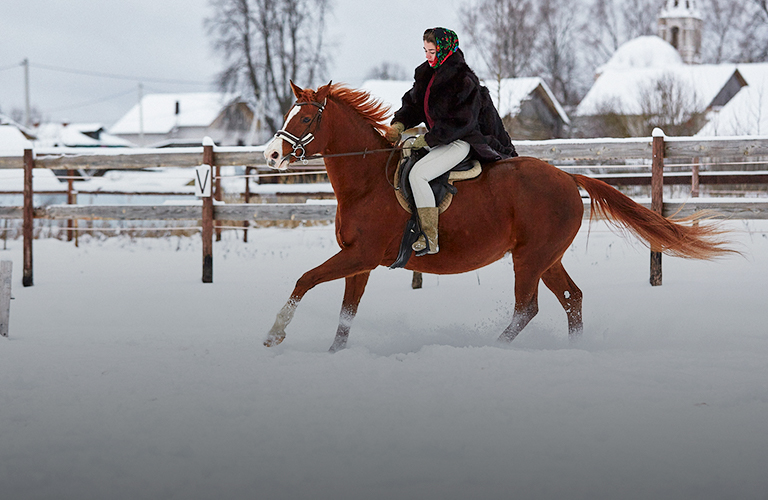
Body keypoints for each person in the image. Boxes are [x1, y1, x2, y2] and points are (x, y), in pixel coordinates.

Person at [386, 27, 516, 255]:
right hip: (439, 141)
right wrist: (399, 123)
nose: (427, 56)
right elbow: (414, 104)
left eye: (432, 51)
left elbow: (461, 122)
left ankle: (429, 237)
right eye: (425, 50)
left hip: (460, 141)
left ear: (445, 50)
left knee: (419, 175)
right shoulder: (427, 74)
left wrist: (428, 139)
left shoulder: (463, 80)